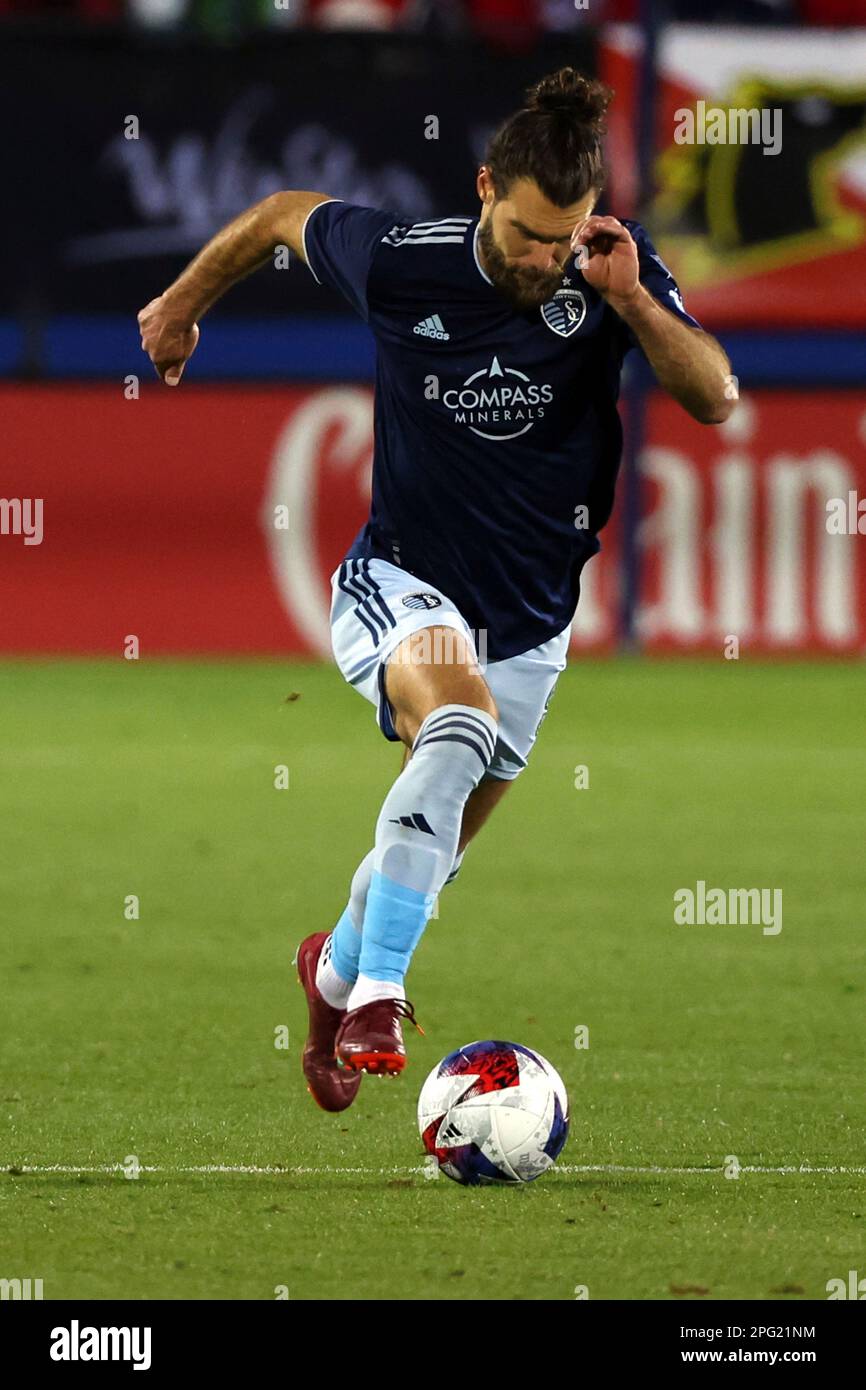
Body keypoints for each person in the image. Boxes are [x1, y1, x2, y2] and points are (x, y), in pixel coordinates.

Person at [138, 66, 736, 1113]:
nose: (545, 259)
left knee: (426, 853)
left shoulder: (608, 271)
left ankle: (330, 976)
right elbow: (279, 216)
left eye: (564, 237)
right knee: (454, 728)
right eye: (527, 235)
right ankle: (381, 995)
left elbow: (716, 398)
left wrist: (633, 298)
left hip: (532, 621)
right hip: (402, 580)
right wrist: (181, 306)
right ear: (483, 189)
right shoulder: (401, 261)